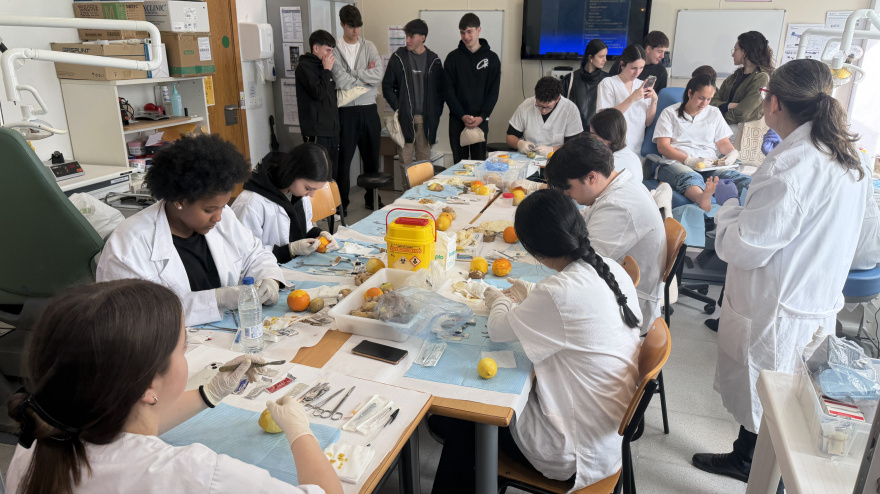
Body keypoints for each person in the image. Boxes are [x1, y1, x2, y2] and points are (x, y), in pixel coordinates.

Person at [692, 58, 869, 491]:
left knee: (769, 394)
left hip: (776, 302)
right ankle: (746, 457)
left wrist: (730, 207)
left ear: (772, 103)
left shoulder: (792, 167)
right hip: (811, 296)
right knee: (785, 398)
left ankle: (751, 466)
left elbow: (743, 247)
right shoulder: (847, 157)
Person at [5, 280, 342, 494]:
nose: (187, 354)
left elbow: (120, 430)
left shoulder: (41, 437)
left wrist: (210, 392)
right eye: (184, 347)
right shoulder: (196, 475)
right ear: (148, 385)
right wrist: (301, 433)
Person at [428, 188, 641, 493]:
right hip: (605, 433)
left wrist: (495, 296)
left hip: (573, 451)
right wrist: (529, 296)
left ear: (533, 250)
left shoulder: (558, 293)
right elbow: (566, 313)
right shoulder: (610, 268)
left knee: (469, 415)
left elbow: (500, 330)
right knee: (456, 420)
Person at [97, 135, 285, 327]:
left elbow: (255, 254)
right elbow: (136, 316)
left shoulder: (222, 216)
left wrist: (268, 278)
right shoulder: (129, 244)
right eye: (209, 210)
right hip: (166, 346)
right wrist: (216, 299)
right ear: (179, 200)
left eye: (222, 206)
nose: (219, 217)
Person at [546, 134, 665, 333]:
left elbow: (582, 269)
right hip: (615, 285)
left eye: (568, 188)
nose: (566, 194)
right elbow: (585, 218)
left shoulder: (620, 207)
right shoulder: (616, 185)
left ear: (591, 176)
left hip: (627, 309)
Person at [653, 75, 752, 212]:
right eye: (701, 98)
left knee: (738, 179)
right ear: (690, 93)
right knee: (690, 177)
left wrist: (732, 153)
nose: (704, 103)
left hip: (709, 165)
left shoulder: (714, 113)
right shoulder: (670, 113)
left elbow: (722, 142)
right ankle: (702, 198)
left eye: (709, 99)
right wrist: (689, 160)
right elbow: (663, 146)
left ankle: (757, 198)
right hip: (678, 163)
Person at [231, 143, 339, 264]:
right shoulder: (251, 203)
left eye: (316, 189)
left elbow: (303, 227)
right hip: (264, 273)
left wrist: (319, 234)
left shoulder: (296, 192)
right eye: (308, 188)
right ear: (293, 173)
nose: (312, 195)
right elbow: (244, 253)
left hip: (294, 264)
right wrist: (289, 250)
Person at [330, 5, 384, 213]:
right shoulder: (334, 48)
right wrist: (363, 75)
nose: (356, 31)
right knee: (343, 162)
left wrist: (351, 72)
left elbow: (377, 75)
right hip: (346, 113)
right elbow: (340, 80)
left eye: (358, 27)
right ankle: (341, 204)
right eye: (351, 27)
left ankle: (373, 199)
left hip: (369, 110)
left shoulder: (368, 46)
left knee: (372, 159)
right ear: (342, 24)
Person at [382, 19, 445, 189]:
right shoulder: (398, 58)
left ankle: (424, 199)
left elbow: (441, 92)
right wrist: (400, 107)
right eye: (406, 36)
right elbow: (387, 86)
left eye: (411, 36)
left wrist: (435, 113)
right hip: (405, 120)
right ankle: (407, 199)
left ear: (422, 38)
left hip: (426, 121)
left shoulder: (434, 60)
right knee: (405, 162)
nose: (407, 40)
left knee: (425, 163)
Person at [444, 12, 501, 163]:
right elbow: (448, 91)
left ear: (479, 30)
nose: (466, 36)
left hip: (480, 119)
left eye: (469, 31)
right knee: (458, 163)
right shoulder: (452, 58)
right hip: (457, 119)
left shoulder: (492, 59)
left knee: (478, 163)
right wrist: (462, 115)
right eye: (462, 33)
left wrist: (482, 116)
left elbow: (493, 92)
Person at [711, 31, 774, 141]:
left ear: (746, 51)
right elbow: (712, 101)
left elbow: (743, 113)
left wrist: (718, 115)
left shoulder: (761, 78)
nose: (732, 54)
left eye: (735, 50)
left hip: (737, 131)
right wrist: (729, 105)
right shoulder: (736, 75)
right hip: (722, 127)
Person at [296, 30, 339, 188]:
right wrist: (327, 71)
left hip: (331, 129)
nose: (330, 55)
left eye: (332, 51)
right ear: (316, 48)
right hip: (316, 130)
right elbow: (318, 93)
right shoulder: (304, 67)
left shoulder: (323, 67)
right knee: (317, 174)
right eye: (328, 50)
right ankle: (317, 210)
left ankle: (330, 210)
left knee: (331, 172)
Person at [597, 44, 657, 155]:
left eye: (641, 68)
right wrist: (631, 98)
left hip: (637, 149)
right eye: (633, 68)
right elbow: (605, 120)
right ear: (622, 64)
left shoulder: (641, 85)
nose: (637, 72)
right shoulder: (608, 84)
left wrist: (654, 100)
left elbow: (648, 122)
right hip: (613, 149)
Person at [506, 76, 583, 156]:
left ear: (558, 99)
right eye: (539, 105)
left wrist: (553, 149)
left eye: (548, 107)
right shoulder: (526, 106)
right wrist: (519, 143)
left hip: (558, 158)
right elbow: (510, 136)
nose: (543, 111)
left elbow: (574, 145)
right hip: (527, 158)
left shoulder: (570, 110)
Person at [560, 39, 609, 130]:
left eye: (605, 56)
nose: (605, 60)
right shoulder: (569, 79)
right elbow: (560, 110)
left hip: (599, 134)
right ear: (590, 57)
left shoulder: (608, 80)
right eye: (601, 56)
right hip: (573, 133)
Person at [589, 108, 644, 181]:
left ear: (608, 137)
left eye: (594, 136)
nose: (590, 139)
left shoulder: (610, 166)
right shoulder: (634, 157)